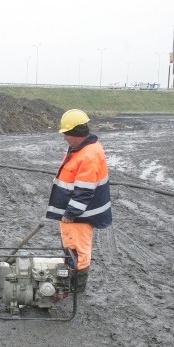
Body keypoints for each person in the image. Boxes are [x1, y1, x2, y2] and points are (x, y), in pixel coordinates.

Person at [45, 109, 112, 296]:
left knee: (79, 252)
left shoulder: (88, 155)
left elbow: (85, 190)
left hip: (80, 216)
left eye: (67, 134)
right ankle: (69, 280)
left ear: (76, 133)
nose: (65, 138)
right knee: (71, 248)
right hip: (76, 214)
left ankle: (76, 289)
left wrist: (70, 214)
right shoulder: (80, 148)